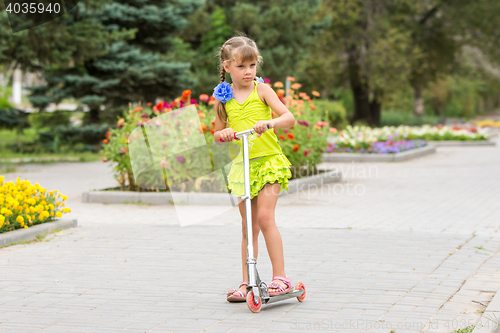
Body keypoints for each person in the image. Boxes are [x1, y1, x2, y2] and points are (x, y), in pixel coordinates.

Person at [212, 36, 296, 302]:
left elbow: (289, 118)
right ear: (226, 66)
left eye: (252, 65)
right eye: (241, 66)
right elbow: (216, 133)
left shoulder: (262, 90)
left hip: (269, 161)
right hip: (243, 166)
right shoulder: (223, 97)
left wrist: (268, 123)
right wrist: (224, 132)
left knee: (265, 218)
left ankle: (280, 277)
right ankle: (248, 282)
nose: (248, 71)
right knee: (248, 226)